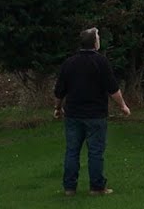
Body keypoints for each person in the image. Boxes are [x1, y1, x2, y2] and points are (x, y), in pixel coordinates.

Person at [54, 27, 131, 196]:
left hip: (73, 114)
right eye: (98, 37)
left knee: (72, 151)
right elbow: (113, 89)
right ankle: (97, 187)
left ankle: (69, 188)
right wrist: (123, 106)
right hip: (95, 115)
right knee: (95, 152)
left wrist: (57, 108)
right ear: (95, 43)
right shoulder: (101, 62)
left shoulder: (69, 63)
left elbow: (59, 90)